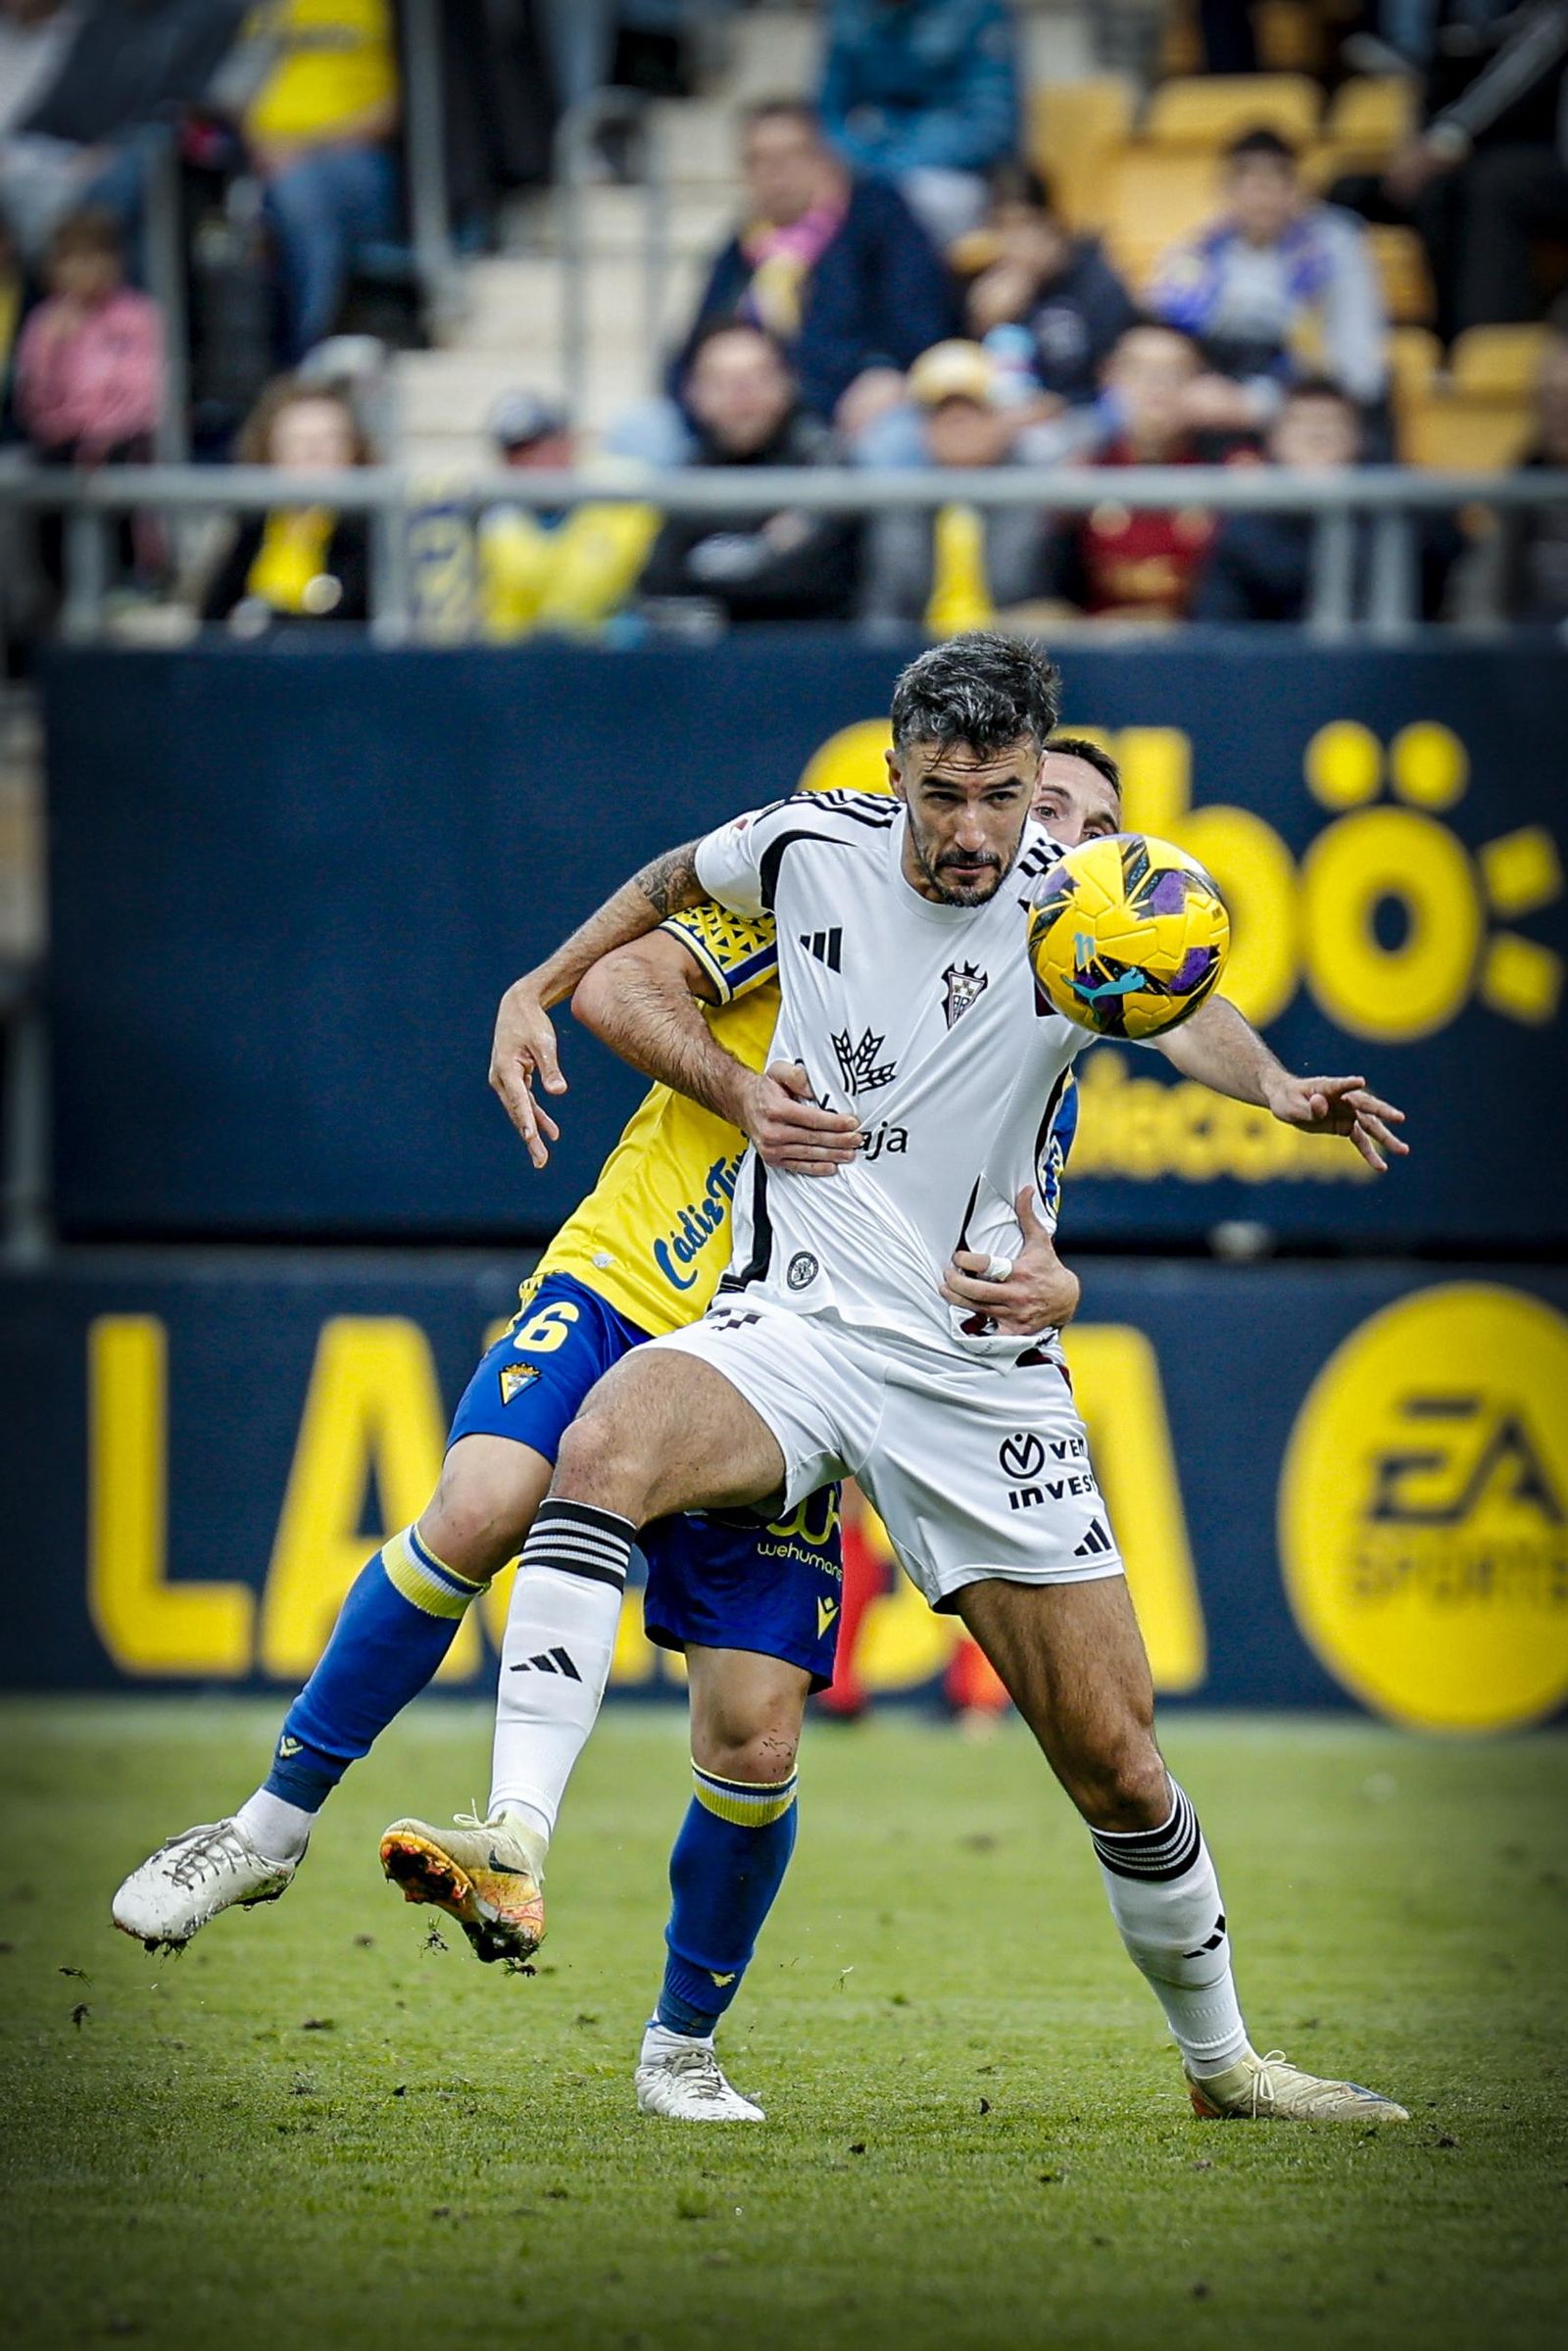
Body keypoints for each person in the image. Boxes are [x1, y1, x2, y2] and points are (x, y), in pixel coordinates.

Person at [430, 632, 1411, 2124]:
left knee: (1119, 1761)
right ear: (895, 775)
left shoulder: (1073, 908)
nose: (971, 830)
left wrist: (1275, 1085)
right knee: (607, 1440)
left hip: (979, 1374)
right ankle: (513, 1829)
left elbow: (1178, 1000)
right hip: (803, 1327)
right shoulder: (811, 844)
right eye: (944, 795)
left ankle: (1226, 2064)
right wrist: (544, 979)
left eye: (1003, 797)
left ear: (1035, 786)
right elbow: (670, 878)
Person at [108, 740, 1101, 2121]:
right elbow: (629, 977)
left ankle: (679, 2047)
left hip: (791, 1367)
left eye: (1085, 823)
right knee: (483, 1499)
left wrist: (1061, 1283)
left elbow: (1020, 1237)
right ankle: (263, 1829)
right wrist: (721, 1081)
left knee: (753, 1735)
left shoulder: (1051, 996)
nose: (1047, 834)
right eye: (1034, 802)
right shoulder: (842, 889)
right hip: (635, 1282)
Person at [663, 96, 953, 444]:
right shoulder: (739, 250)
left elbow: (921, 333)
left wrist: (887, 375)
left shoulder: (881, 225)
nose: (774, 175)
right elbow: (690, 355)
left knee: (895, 439)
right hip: (745, 422)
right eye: (757, 161)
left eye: (788, 157)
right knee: (648, 431)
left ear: (824, 159)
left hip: (850, 413)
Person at [1338, 0, 1568, 340]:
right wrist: (1427, 141)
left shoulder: (1547, 15)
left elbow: (1527, 63)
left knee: (1494, 184)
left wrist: (1445, 140)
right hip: (1463, 149)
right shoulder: (1447, 18)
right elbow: (1426, 76)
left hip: (1533, 160)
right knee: (1361, 192)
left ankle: (1485, 348)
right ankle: (1430, 349)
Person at [1149, 128, 1389, 431]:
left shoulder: (1334, 250)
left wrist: (1261, 405)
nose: (1261, 195)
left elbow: (1359, 372)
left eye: (1275, 180)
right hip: (1211, 410)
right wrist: (1191, 393)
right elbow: (1161, 343)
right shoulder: (1192, 255)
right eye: (1247, 180)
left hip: (1309, 412)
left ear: (1298, 189)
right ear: (1224, 190)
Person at [638, 321, 861, 625]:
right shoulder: (688, 474)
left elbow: (807, 580)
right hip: (710, 663)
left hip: (819, 654)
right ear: (693, 393)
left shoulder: (826, 461)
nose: (742, 396)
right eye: (722, 381)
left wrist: (709, 564)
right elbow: (660, 585)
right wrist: (768, 546)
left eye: (757, 378)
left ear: (787, 382)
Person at [232, 0, 402, 361]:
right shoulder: (263, 10)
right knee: (293, 197)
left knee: (304, 192)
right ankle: (310, 343)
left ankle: (308, 345)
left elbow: (387, 111)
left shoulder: (366, 8)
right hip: (273, 166)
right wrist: (264, 147)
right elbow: (237, 100)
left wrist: (308, 147)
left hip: (353, 157)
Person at [858, 337, 1056, 633]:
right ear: (922, 428)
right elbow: (885, 607)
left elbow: (1055, 604)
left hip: (1018, 660)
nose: (958, 422)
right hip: (917, 662)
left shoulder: (1045, 496)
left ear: (1002, 418)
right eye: (940, 412)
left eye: (975, 409)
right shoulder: (900, 504)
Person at [1036, 321, 1226, 622]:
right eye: (1138, 372)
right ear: (1109, 378)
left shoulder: (1230, 478)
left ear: (1199, 383)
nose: (1156, 388)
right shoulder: (1080, 476)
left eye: (1175, 373)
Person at [819, 0, 1019, 250]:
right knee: (821, 209)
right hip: (862, 170)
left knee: (918, 206)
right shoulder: (848, 9)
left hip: (951, 177)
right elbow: (827, 114)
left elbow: (992, 127)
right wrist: (862, 159)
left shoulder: (976, 8)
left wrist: (888, 163)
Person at [477, 390, 658, 643]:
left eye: (542, 447)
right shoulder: (500, 526)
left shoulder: (621, 495)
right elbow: (504, 621)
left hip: (621, 655)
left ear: (568, 444)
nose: (533, 463)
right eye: (518, 454)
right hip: (538, 663)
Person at [199, 373, 371, 627]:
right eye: (297, 441)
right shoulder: (248, 528)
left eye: (329, 440)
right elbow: (210, 622)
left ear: (354, 450)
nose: (313, 454)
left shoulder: (375, 536)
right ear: (270, 450)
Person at [964, 165, 1140, 413]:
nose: (1014, 242)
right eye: (1001, 227)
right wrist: (983, 325)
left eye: (1026, 225)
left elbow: (1117, 377)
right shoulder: (983, 282)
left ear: (1054, 225)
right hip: (1004, 416)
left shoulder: (1097, 281)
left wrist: (1060, 403)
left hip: (1082, 412)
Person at [1453, 318, 1568, 622]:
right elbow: (1479, 596)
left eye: (1567, 400)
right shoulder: (1519, 487)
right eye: (1549, 398)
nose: (1558, 414)